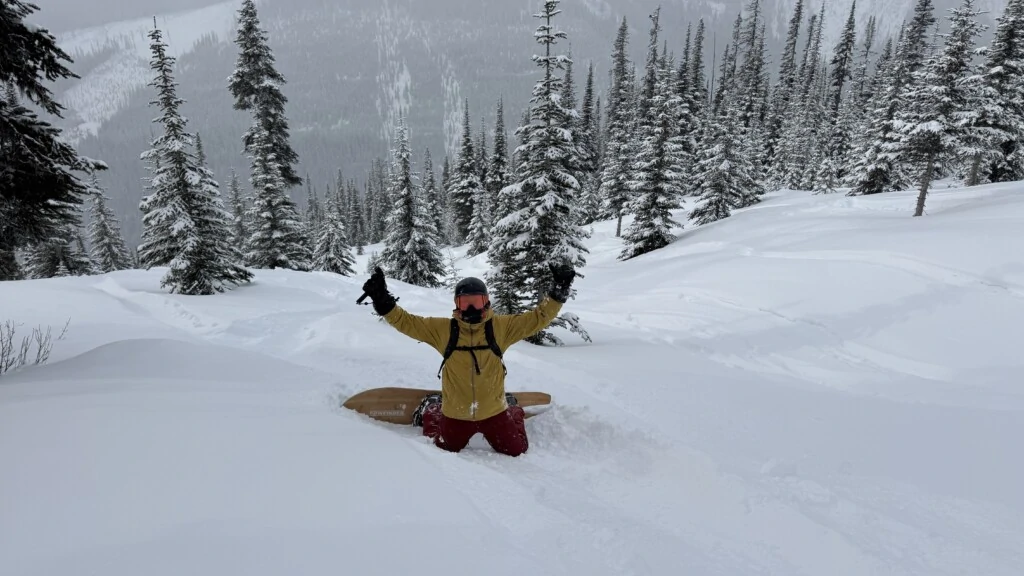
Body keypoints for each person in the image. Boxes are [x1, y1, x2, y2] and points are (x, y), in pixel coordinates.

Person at [360, 263, 576, 456]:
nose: (471, 308)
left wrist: (558, 293)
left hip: (494, 412)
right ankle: (433, 408)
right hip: (456, 414)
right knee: (444, 448)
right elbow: (407, 322)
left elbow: (538, 318)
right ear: (457, 304)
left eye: (477, 301)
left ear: (487, 302)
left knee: (517, 449)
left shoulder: (501, 328)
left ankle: (511, 408)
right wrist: (383, 301)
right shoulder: (444, 330)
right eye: (465, 303)